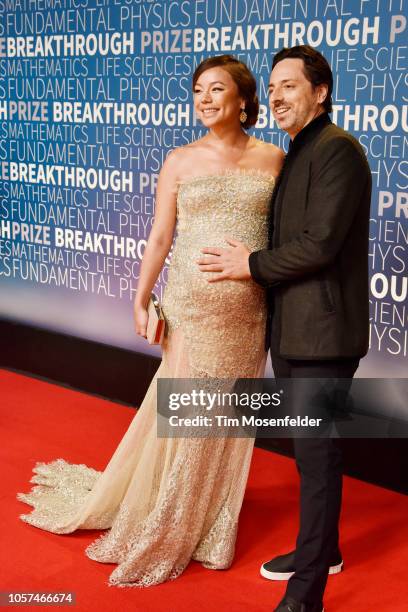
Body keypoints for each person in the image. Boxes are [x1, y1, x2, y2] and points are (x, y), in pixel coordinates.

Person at [16, 55, 284, 587]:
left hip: (249, 309)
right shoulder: (180, 160)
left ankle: (209, 518)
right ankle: (171, 516)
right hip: (190, 302)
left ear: (245, 102)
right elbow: (161, 235)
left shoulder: (275, 159)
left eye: (217, 90)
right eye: (198, 91)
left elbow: (283, 236)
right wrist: (140, 299)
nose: (205, 99)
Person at [198, 45, 372, 611]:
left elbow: (320, 244)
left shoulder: (338, 151)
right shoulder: (298, 151)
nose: (275, 96)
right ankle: (322, 549)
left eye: (289, 86)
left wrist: (247, 265)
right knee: (308, 452)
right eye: (271, 88)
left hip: (324, 334)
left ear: (320, 92)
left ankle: (307, 595)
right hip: (292, 330)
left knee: (318, 458)